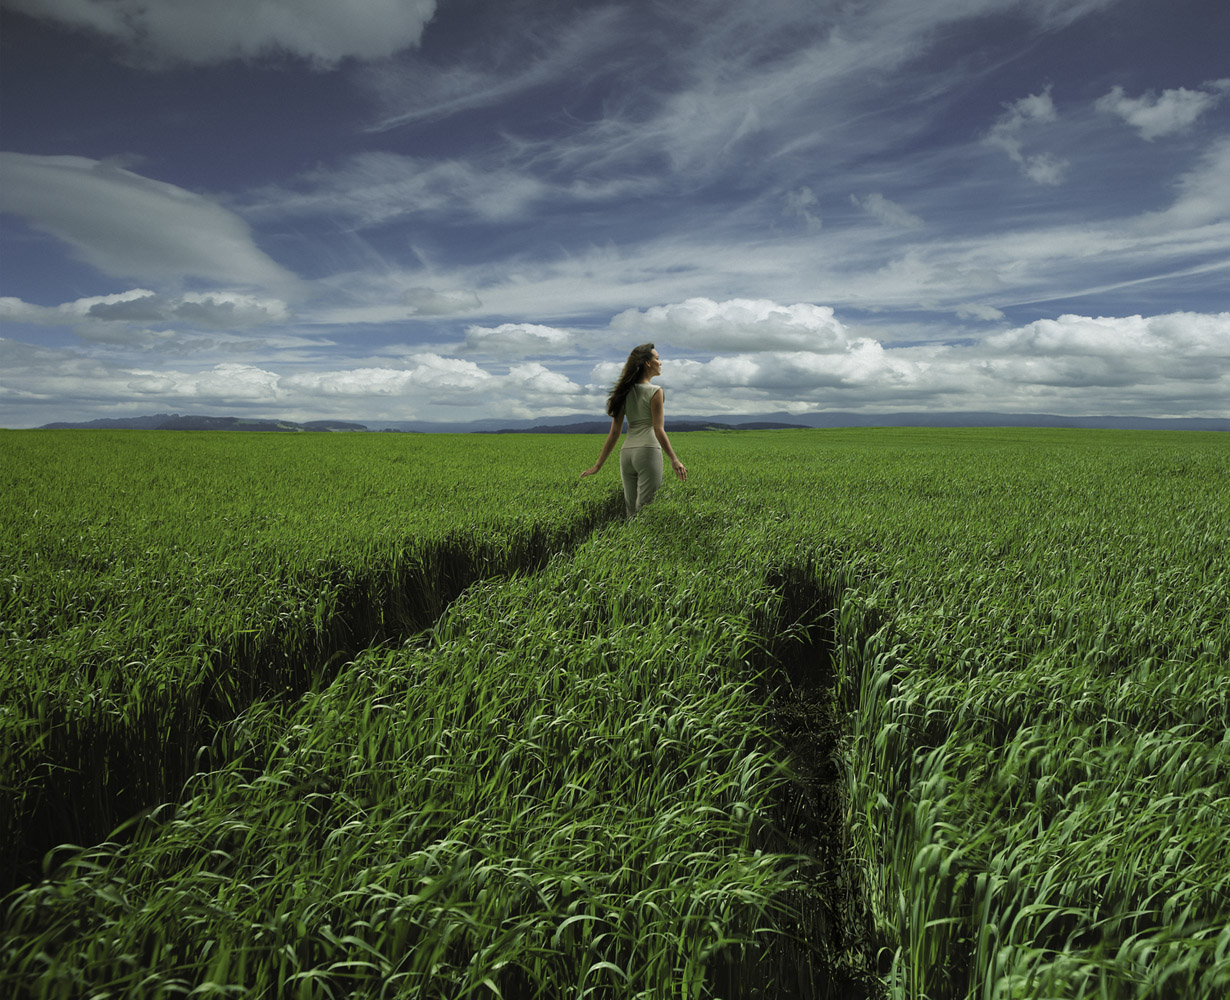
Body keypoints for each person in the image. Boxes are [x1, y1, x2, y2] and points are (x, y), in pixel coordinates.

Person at [579, 342, 687, 517]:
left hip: (627, 454)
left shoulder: (623, 392)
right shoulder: (655, 391)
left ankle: (628, 543)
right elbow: (658, 429)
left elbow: (614, 433)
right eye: (658, 359)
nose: (661, 363)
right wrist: (674, 460)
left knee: (631, 510)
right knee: (646, 510)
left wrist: (598, 465)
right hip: (648, 452)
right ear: (648, 363)